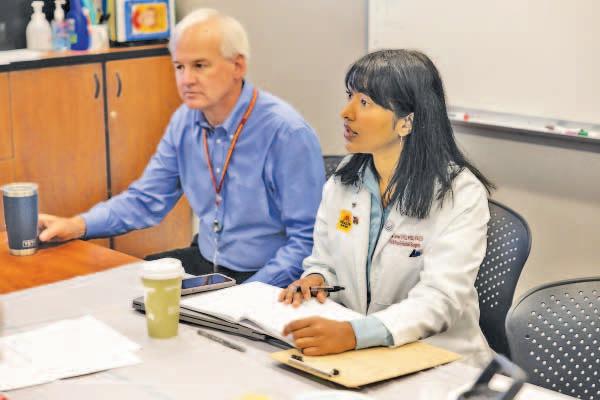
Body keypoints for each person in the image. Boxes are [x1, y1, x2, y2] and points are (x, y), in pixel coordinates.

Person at [38, 8, 325, 287]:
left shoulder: (286, 133)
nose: (186, 80)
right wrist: (78, 225)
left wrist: (246, 296)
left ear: (238, 66)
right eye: (179, 67)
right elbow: (146, 199)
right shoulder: (184, 121)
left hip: (266, 276)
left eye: (200, 66)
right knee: (128, 290)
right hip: (209, 263)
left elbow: (305, 243)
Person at [279, 49, 495, 366]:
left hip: (439, 361)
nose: (346, 112)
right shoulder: (344, 179)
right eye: (350, 97)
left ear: (406, 122)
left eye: (364, 102)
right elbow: (325, 263)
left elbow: (440, 299)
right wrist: (315, 280)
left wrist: (355, 334)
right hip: (362, 357)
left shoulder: (459, 193)